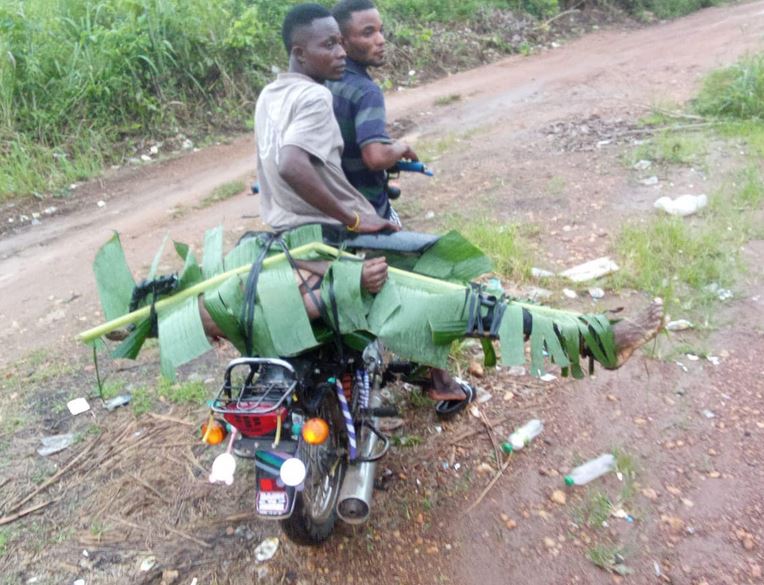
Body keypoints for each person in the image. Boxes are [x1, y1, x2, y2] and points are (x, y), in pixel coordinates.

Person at [193, 4, 661, 414]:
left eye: (341, 42)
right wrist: (354, 218)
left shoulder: (271, 94)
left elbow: (289, 165)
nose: (339, 52)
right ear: (300, 52)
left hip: (281, 242)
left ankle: (434, 376)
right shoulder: (317, 95)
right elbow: (293, 164)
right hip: (328, 243)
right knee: (463, 296)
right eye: (330, 44)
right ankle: (593, 341)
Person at [327, 0, 417, 225]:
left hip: (329, 208)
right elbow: (375, 158)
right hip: (366, 209)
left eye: (381, 30)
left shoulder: (323, 82)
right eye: (368, 33)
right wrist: (400, 147)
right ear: (343, 42)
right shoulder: (366, 92)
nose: (381, 40)